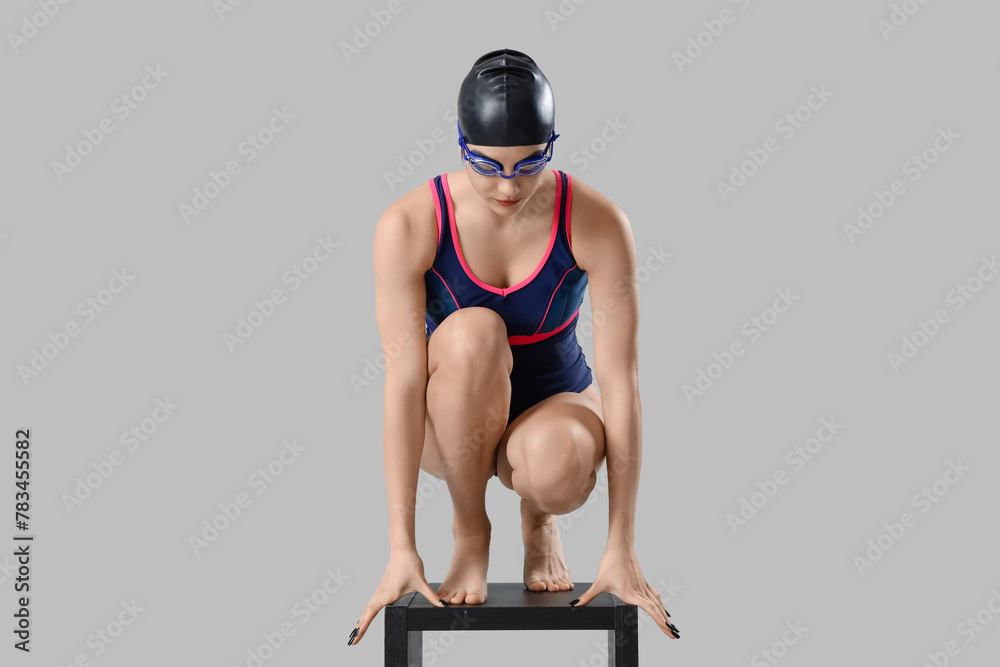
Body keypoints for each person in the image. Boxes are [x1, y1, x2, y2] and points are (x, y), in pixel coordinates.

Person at [349, 48, 679, 647]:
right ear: (459, 144)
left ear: (553, 144)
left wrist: (621, 547)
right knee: (475, 330)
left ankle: (540, 515)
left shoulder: (597, 221)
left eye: (529, 165)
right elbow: (401, 383)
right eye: (488, 166)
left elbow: (622, 383)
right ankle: (471, 531)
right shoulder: (409, 224)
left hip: (554, 407)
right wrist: (401, 547)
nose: (508, 185)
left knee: (555, 466)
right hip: (450, 417)